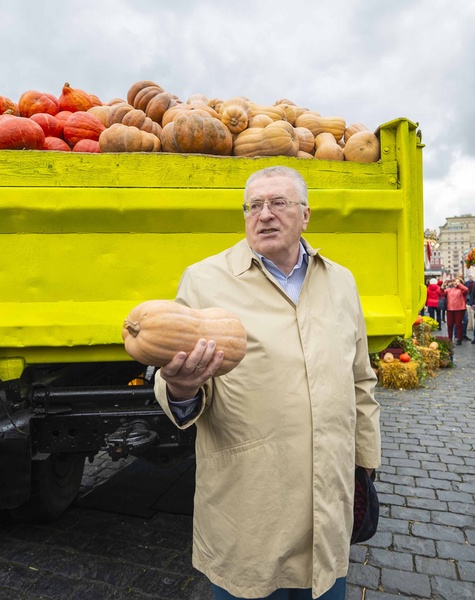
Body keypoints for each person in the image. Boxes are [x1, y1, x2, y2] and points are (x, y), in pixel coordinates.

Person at [151, 166, 381, 599]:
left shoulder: (341, 282)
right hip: (252, 502)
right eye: (253, 205)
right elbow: (175, 383)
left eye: (278, 203)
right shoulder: (204, 280)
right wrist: (180, 387)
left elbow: (360, 380)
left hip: (328, 498)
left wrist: (365, 465)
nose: (265, 214)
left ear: (305, 214)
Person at [442, 277, 468, 345]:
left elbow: (466, 289)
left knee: (458, 324)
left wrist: (458, 284)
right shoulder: (449, 289)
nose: (455, 283)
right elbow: (442, 293)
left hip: (459, 309)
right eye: (454, 282)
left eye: (457, 282)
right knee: (450, 324)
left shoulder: (462, 290)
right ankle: (449, 338)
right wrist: (442, 286)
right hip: (450, 309)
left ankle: (459, 338)